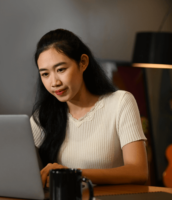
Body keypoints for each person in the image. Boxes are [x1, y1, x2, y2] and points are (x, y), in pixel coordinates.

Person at [30, 29, 148, 188]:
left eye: (61, 70)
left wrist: (75, 175)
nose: (54, 82)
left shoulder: (120, 102)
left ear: (83, 63)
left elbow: (138, 172)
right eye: (45, 74)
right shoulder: (43, 116)